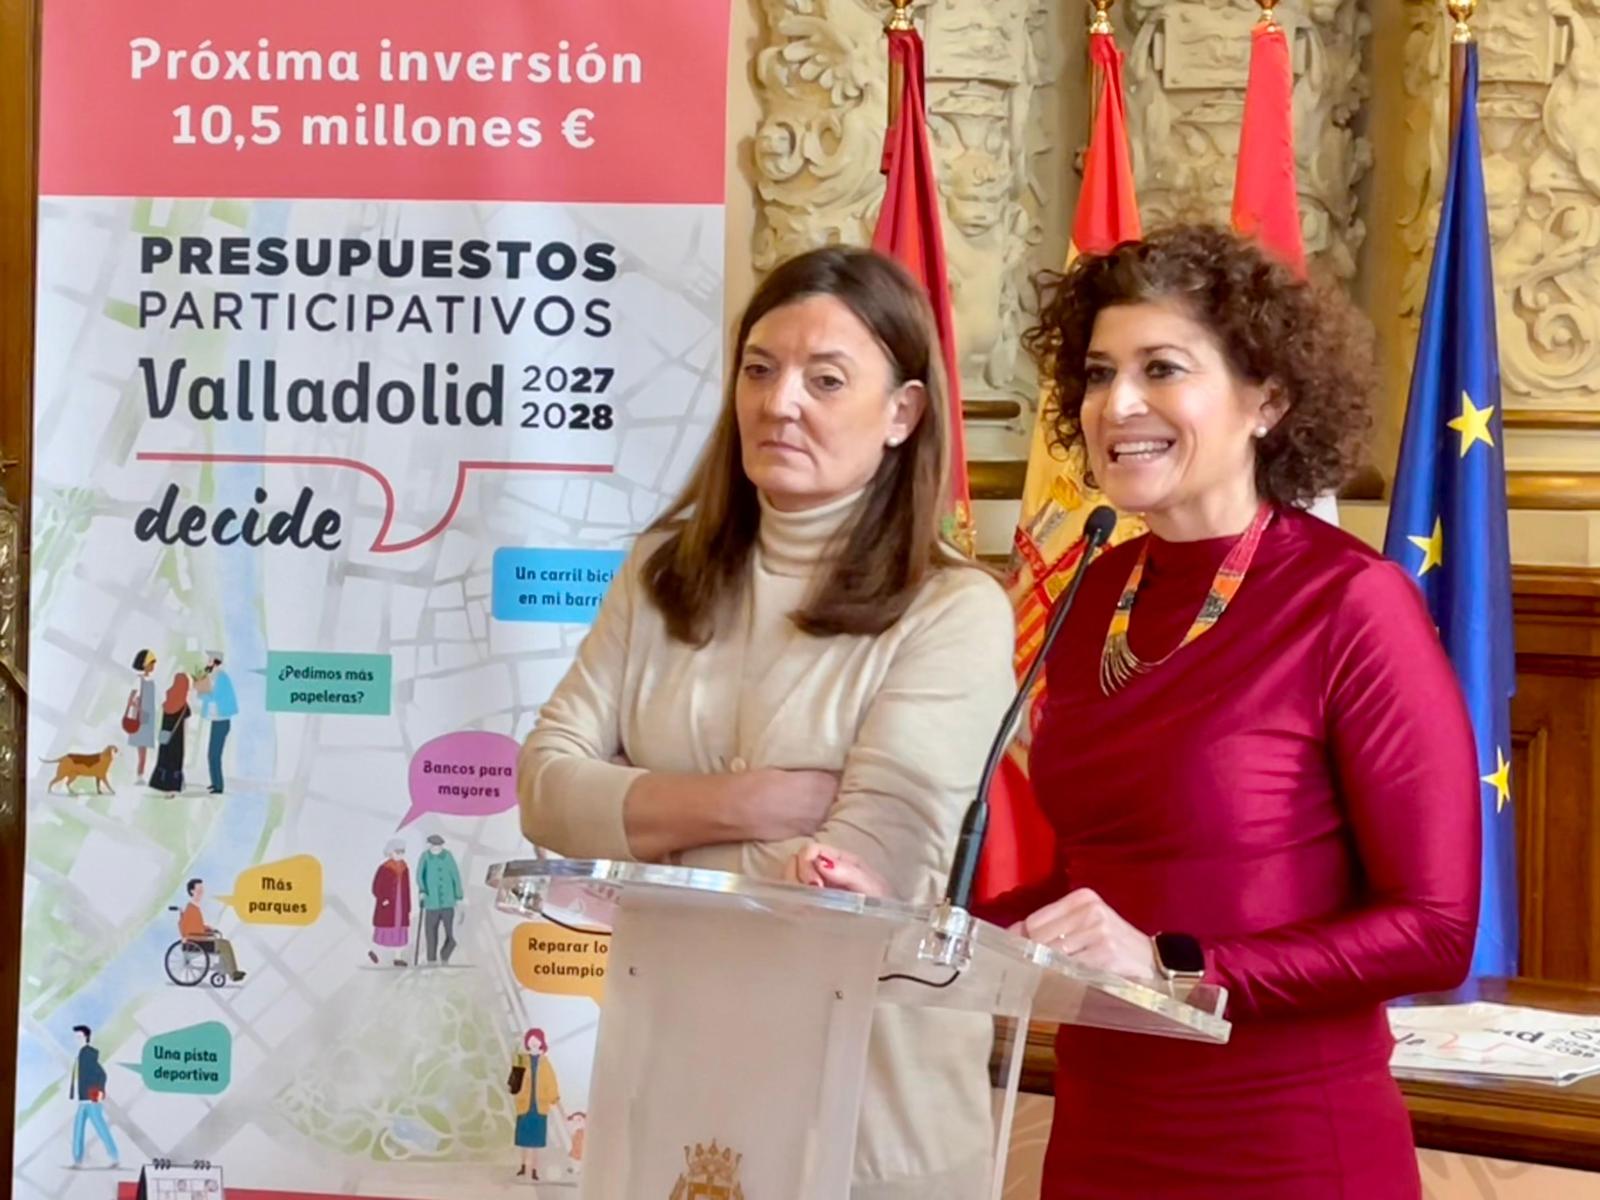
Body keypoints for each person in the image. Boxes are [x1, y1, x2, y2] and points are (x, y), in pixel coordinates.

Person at [802, 225, 1481, 1199]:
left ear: (1266, 399)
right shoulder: (1094, 590)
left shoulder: (1350, 602)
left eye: (1161, 369)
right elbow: (1092, 888)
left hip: (1287, 1144)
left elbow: (1434, 928)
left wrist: (1175, 966)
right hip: (1100, 1135)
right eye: (1097, 374)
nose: (1115, 404)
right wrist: (914, 921)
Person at [518, 246, 1015, 1198]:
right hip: (676, 1087)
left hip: (868, 1116)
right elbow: (544, 789)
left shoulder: (953, 609)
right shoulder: (660, 574)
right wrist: (747, 803)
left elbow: (858, 877)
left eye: (825, 380)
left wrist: (639, 825)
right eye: (759, 368)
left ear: (903, 413)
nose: (779, 402)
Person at [509, 1028, 560, 1182]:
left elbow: (551, 1082)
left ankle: (534, 1170)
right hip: (525, 1105)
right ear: (527, 1042)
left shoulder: (545, 1062)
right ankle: (523, 1167)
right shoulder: (522, 1060)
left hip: (539, 1107)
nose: (534, 1042)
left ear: (541, 1042)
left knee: (536, 1142)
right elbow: (514, 1079)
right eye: (531, 1039)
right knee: (524, 1142)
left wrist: (554, 1098)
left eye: (537, 1039)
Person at [68, 1024, 119, 1169]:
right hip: (83, 1099)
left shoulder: (87, 1054)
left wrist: (99, 1091)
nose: (76, 1040)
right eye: (75, 1037)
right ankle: (78, 1160)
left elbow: (101, 1074)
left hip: (91, 1098)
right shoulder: (81, 1054)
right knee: (79, 1128)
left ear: (86, 1038)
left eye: (79, 1037)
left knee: (100, 1127)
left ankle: (114, 1156)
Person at [178, 878, 245, 982]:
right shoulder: (191, 909)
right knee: (224, 944)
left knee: (224, 943)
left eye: (202, 889)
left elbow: (197, 926)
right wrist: (187, 936)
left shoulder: (194, 907)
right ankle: (232, 973)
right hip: (197, 941)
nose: (202, 892)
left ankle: (227, 969)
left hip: (199, 938)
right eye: (199, 889)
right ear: (192, 891)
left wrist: (208, 929)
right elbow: (186, 927)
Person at [417, 833, 463, 965]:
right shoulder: (425, 857)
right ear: (430, 845)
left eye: (439, 846)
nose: (436, 848)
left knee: (451, 934)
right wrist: (422, 891)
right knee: (431, 933)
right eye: (434, 846)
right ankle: (431, 960)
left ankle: (444, 955)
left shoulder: (448, 856)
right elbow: (419, 875)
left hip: (448, 901)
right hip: (431, 902)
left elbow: (455, 875)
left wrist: (458, 896)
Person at [197, 650, 238, 794]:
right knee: (212, 754)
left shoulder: (222, 678)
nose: (207, 662)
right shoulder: (213, 676)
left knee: (214, 755)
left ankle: (219, 786)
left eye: (210, 660)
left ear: (216, 662)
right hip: (216, 720)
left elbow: (215, 696)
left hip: (222, 721)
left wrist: (203, 692)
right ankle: (215, 783)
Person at [148, 671, 192, 795]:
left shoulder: (169, 698)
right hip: (176, 739)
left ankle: (159, 782)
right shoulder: (183, 705)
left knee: (163, 758)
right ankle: (172, 787)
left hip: (165, 735)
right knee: (175, 760)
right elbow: (186, 721)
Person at [369, 839, 411, 967]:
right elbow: (376, 887)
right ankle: (374, 952)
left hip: (401, 905)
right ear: (390, 852)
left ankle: (398, 958)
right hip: (387, 906)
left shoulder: (405, 868)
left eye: (402, 852)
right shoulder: (384, 868)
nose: (400, 854)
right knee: (383, 931)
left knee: (399, 932)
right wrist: (383, 899)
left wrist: (408, 906)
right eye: (397, 852)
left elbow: (407, 889)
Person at [126, 650, 159, 783]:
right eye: (151, 663)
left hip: (149, 718)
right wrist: (138, 707)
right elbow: (131, 700)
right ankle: (139, 776)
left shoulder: (151, 681)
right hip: (141, 719)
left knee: (144, 749)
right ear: (145, 664)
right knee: (142, 750)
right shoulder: (138, 681)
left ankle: (141, 775)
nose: (153, 666)